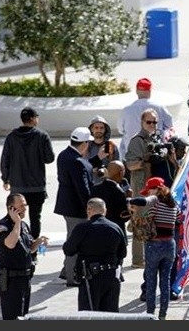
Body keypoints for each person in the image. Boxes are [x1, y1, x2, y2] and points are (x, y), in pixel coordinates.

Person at [125, 108, 174, 267]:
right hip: (141, 185)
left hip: (155, 186)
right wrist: (144, 160)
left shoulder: (157, 138)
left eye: (154, 122)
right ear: (142, 122)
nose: (152, 125)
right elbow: (130, 165)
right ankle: (138, 259)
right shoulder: (137, 140)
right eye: (149, 122)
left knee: (152, 219)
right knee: (140, 220)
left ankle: (148, 255)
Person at [129, 177, 182, 320]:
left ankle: (150, 314)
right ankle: (163, 315)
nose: (148, 193)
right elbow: (179, 219)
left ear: (156, 189)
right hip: (170, 245)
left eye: (149, 190)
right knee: (165, 282)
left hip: (154, 245)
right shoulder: (174, 204)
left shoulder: (154, 200)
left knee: (151, 281)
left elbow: (141, 201)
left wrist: (129, 201)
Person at [62, 197, 127, 312]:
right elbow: (122, 253)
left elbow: (68, 250)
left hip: (90, 278)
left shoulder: (82, 228)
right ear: (104, 210)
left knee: (89, 314)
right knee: (110, 315)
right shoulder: (116, 228)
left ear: (89, 210)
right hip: (111, 276)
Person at [0, 106, 55, 239]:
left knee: (15, 217)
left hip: (17, 187)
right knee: (35, 218)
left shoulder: (11, 137)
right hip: (37, 186)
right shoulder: (42, 136)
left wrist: (5, 179)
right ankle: (33, 249)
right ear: (32, 119)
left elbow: (5, 159)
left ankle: (17, 243)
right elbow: (50, 158)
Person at [0, 193, 48, 320]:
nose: (25, 208)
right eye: (21, 206)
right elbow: (10, 243)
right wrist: (17, 223)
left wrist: (38, 241)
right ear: (11, 208)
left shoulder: (24, 226)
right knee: (13, 317)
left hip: (25, 278)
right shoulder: (3, 226)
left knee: (23, 316)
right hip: (11, 280)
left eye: (25, 205)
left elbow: (29, 249)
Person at [54, 126, 94, 286]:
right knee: (74, 241)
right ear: (84, 144)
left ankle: (66, 270)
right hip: (76, 208)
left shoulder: (64, 155)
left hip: (67, 205)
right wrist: (90, 207)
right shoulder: (77, 161)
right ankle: (71, 276)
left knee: (72, 237)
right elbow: (82, 188)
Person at [118, 78, 174, 162]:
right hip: (155, 153)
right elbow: (170, 125)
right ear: (150, 91)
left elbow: (120, 130)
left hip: (131, 155)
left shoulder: (127, 110)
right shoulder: (159, 108)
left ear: (136, 91)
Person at [90, 160, 132, 273]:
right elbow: (124, 216)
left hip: (97, 229)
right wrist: (130, 205)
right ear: (120, 173)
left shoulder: (95, 188)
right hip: (115, 230)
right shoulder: (118, 192)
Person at [86, 115, 119, 185]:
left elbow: (118, 167)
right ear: (91, 129)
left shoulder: (111, 146)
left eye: (101, 128)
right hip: (90, 184)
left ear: (105, 130)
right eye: (96, 128)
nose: (99, 130)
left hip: (107, 184)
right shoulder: (85, 146)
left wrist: (108, 171)